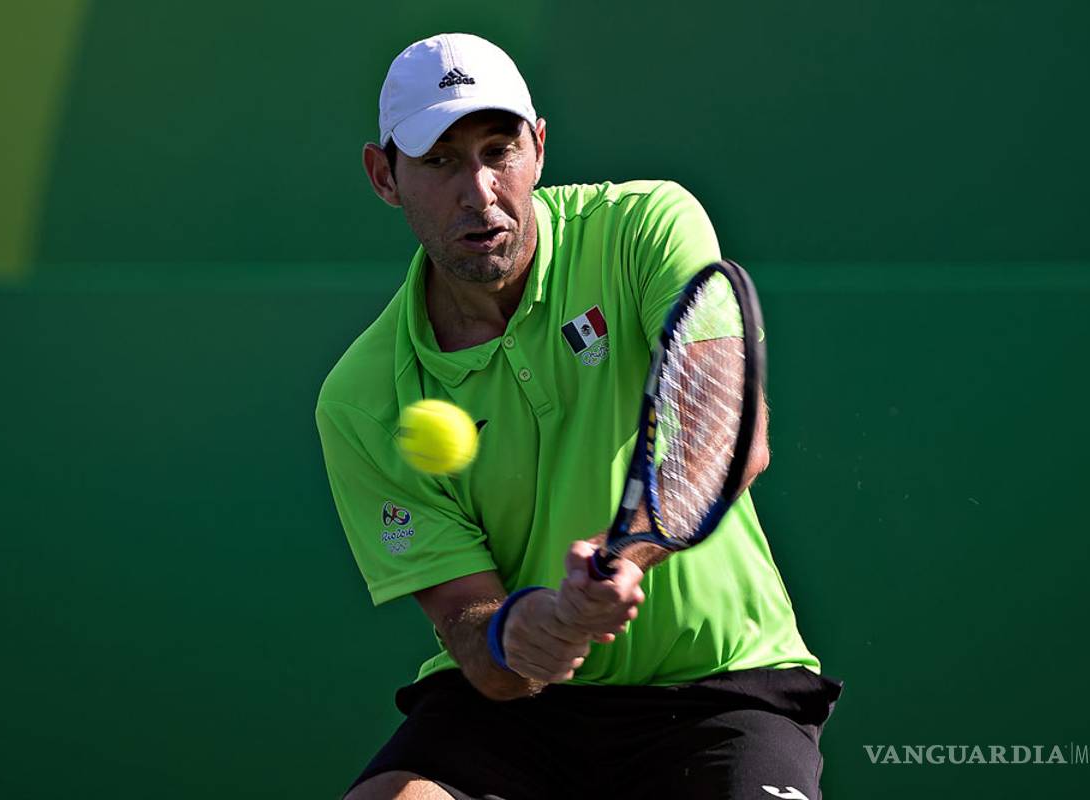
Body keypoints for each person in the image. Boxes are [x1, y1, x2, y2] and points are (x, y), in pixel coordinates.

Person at [316, 32, 842, 800]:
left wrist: (626, 553)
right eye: (439, 161)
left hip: (721, 686)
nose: (479, 191)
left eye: (499, 151)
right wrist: (524, 633)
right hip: (514, 723)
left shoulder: (644, 225)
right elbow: (471, 630)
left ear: (539, 146)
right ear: (383, 176)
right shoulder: (362, 400)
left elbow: (726, 427)